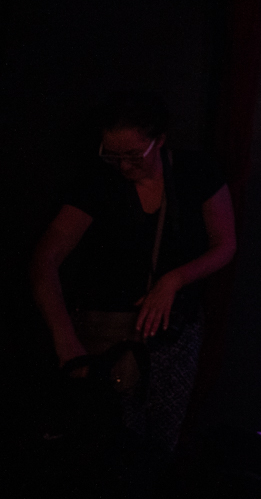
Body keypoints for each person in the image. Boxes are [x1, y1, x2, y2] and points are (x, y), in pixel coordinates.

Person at [30, 90, 236, 451]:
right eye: (112, 155)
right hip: (105, 333)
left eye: (133, 155)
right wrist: (66, 342)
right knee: (105, 440)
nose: (123, 166)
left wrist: (172, 281)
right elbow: (44, 261)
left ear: (160, 140)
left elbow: (225, 245)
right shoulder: (97, 182)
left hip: (174, 335)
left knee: (158, 445)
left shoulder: (195, 173)